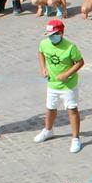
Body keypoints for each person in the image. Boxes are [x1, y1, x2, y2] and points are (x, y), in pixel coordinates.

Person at [34, 19, 86, 152]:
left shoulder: (70, 47)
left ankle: (75, 138)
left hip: (68, 85)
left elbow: (80, 62)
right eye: (49, 35)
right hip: (52, 84)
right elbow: (40, 53)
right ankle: (48, 130)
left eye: (54, 34)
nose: (51, 37)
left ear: (61, 33)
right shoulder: (44, 44)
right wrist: (43, 68)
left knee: (72, 110)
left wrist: (67, 74)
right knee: (50, 108)